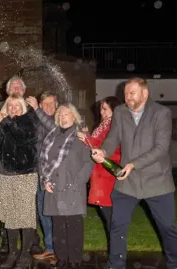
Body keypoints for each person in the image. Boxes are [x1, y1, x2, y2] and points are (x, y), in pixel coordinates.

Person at [92, 77, 177, 269]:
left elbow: (161, 148)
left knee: (167, 228)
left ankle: (175, 263)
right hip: (127, 183)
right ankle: (116, 264)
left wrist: (133, 164)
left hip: (157, 182)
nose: (127, 97)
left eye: (132, 93)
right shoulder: (120, 112)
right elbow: (113, 138)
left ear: (145, 93)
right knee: (117, 226)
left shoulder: (161, 113)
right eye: (125, 93)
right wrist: (103, 151)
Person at [38, 103, 93, 269]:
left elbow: (88, 162)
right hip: (53, 187)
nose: (62, 117)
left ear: (74, 116)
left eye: (66, 114)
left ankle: (75, 260)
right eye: (60, 114)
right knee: (58, 227)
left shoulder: (81, 136)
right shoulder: (51, 136)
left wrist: (77, 182)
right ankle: (61, 259)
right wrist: (45, 180)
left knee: (74, 226)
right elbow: (43, 161)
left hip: (73, 188)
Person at [0, 94, 39, 269]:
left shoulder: (29, 121)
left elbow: (20, 137)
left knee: (24, 217)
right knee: (10, 217)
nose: (13, 109)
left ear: (23, 107)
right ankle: (12, 253)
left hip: (24, 176)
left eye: (17, 105)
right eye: (10, 106)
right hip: (5, 176)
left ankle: (25, 254)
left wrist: (3, 123)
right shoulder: (5, 124)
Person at [76, 96, 122, 246]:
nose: (102, 112)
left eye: (105, 109)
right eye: (101, 109)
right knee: (111, 217)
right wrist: (88, 137)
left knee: (111, 218)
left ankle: (116, 256)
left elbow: (101, 147)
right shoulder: (106, 124)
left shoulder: (111, 124)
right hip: (104, 173)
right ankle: (116, 254)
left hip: (106, 175)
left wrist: (85, 138)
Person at [26, 92, 58, 263]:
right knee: (43, 212)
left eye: (51, 103)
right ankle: (50, 248)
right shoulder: (36, 120)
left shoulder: (61, 120)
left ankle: (59, 248)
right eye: (44, 104)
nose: (48, 107)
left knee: (55, 214)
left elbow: (52, 127)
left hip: (56, 177)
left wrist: (38, 109)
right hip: (39, 175)